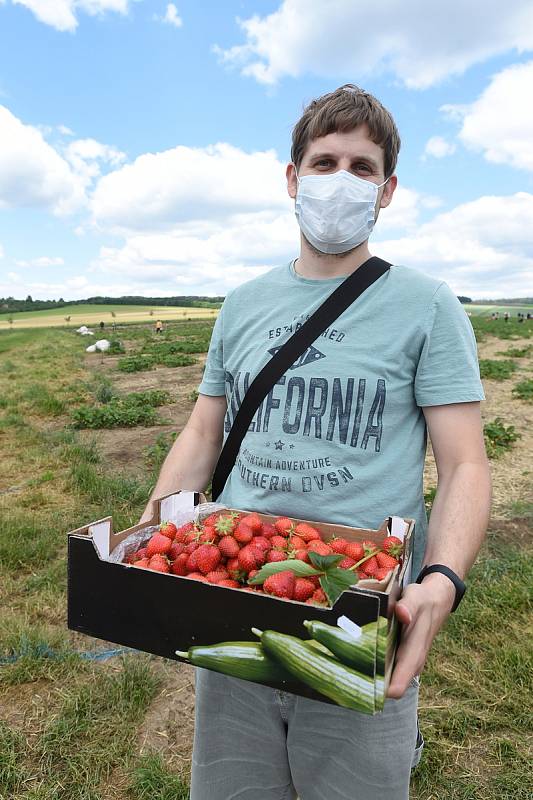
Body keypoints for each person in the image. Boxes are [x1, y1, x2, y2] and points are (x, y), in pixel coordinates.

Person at [140, 85, 491, 800]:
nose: (340, 179)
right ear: (291, 179)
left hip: (356, 603)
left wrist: (441, 582)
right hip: (232, 593)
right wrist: (158, 526)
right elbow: (205, 427)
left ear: (387, 189)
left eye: (361, 167)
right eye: (323, 161)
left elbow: (464, 464)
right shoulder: (242, 304)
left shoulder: (426, 304)